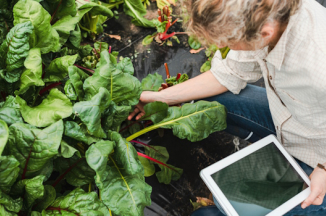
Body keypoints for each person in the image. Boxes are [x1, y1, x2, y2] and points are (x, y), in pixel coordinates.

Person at [128, 0, 326, 215]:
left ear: (264, 32)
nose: (227, 47)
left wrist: (323, 168)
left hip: (318, 154)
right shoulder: (268, 13)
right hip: (292, 120)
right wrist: (161, 97)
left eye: (230, 41)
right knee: (209, 102)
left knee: (211, 213)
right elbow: (229, 73)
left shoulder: (317, 67)